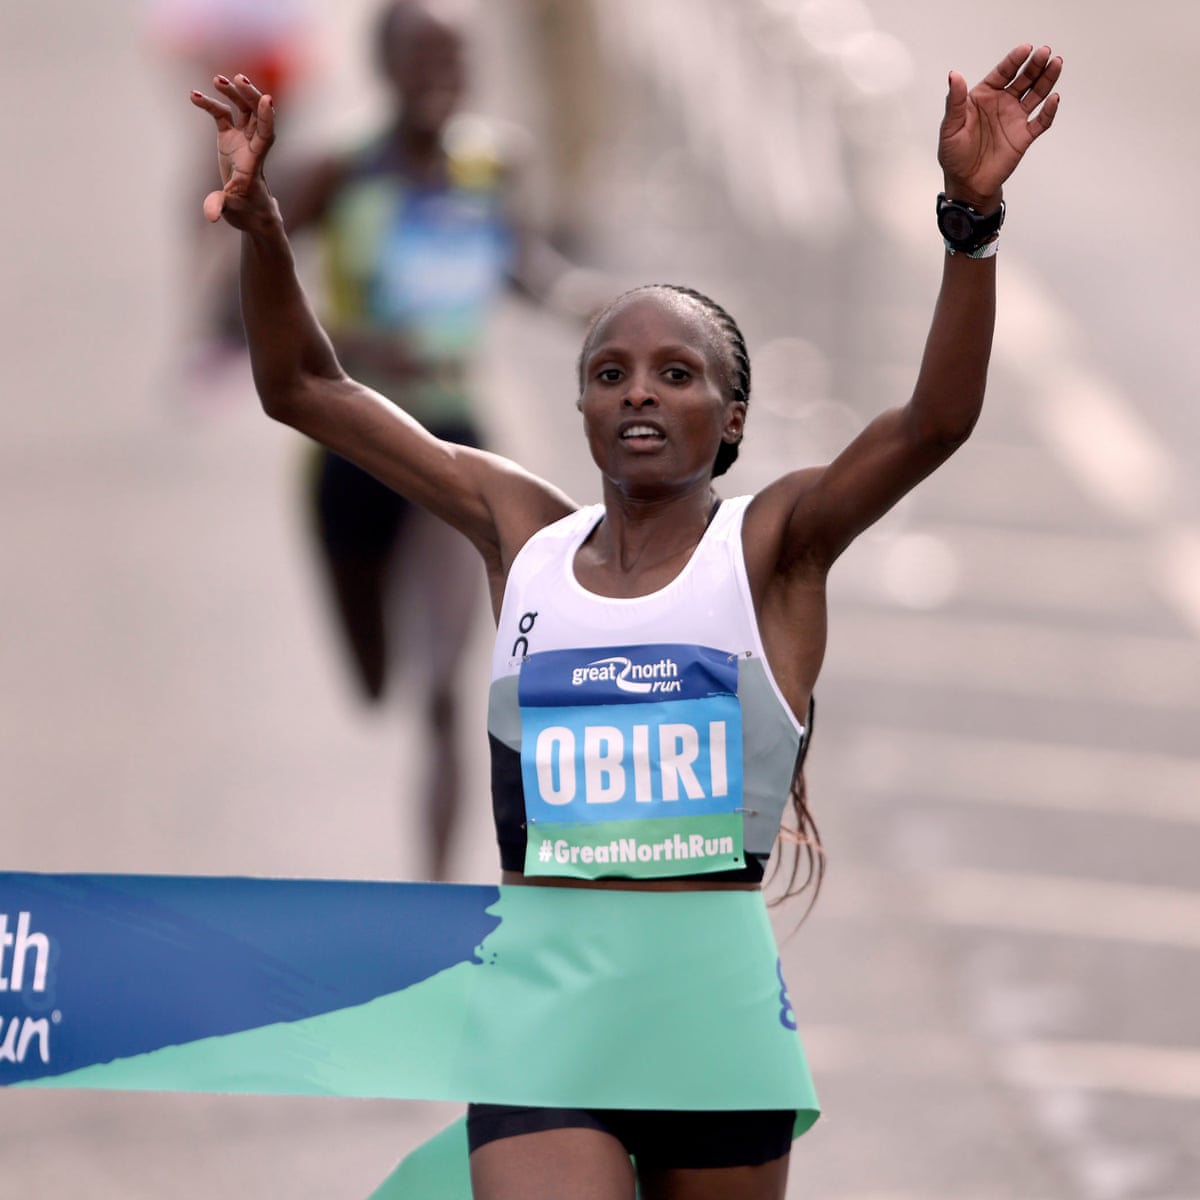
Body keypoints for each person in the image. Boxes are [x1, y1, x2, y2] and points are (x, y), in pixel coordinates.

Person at [192, 38, 1062, 1200]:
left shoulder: (773, 551)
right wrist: (265, 231)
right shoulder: (522, 536)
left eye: (676, 373)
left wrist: (971, 222)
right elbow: (305, 388)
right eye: (610, 373)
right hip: (545, 1019)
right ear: (583, 408)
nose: (640, 389)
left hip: (712, 1029)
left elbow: (932, 425)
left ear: (733, 417)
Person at [271, 0, 607, 881]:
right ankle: (376, 650)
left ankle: (434, 893)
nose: (440, 81)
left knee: (446, 684)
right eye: (422, 61)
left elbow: (518, 261)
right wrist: (339, 343)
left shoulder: (491, 165)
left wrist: (583, 303)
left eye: (454, 63)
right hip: (352, 444)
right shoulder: (339, 171)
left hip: (451, 435)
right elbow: (254, 287)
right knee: (374, 679)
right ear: (384, 68)